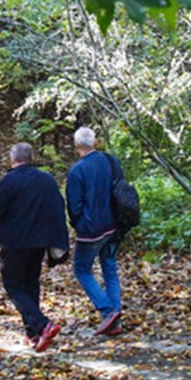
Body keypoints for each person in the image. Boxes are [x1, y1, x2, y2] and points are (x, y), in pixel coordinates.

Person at [0, 142, 69, 352]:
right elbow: (58, 207)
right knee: (31, 283)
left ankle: (43, 325)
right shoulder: (46, 179)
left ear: (13, 159)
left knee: (14, 285)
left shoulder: (10, 180)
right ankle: (32, 334)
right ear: (31, 158)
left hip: (15, 242)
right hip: (39, 241)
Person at [65, 126, 123, 335]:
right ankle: (115, 320)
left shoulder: (77, 170)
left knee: (81, 269)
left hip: (91, 230)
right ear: (94, 141)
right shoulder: (110, 161)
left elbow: (74, 206)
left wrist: (78, 225)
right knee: (109, 268)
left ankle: (108, 311)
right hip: (113, 225)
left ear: (76, 144)